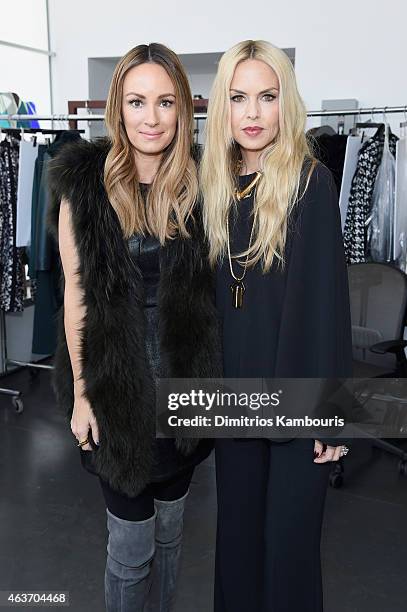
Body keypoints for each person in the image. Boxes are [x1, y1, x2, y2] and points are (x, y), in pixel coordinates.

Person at [47, 43, 221, 612]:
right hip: (116, 393)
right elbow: (76, 296)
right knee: (129, 549)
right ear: (118, 109)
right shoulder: (86, 189)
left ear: (183, 108)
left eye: (165, 102)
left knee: (171, 535)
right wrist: (80, 394)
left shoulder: (200, 186)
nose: (151, 118)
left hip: (182, 392)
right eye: (137, 101)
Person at [200, 40, 353, 612]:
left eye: (267, 97)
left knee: (288, 556)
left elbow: (327, 310)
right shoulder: (212, 186)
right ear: (223, 106)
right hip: (231, 403)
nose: (253, 113)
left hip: (296, 404)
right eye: (239, 98)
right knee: (236, 549)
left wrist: (332, 417)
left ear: (285, 104)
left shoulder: (310, 184)